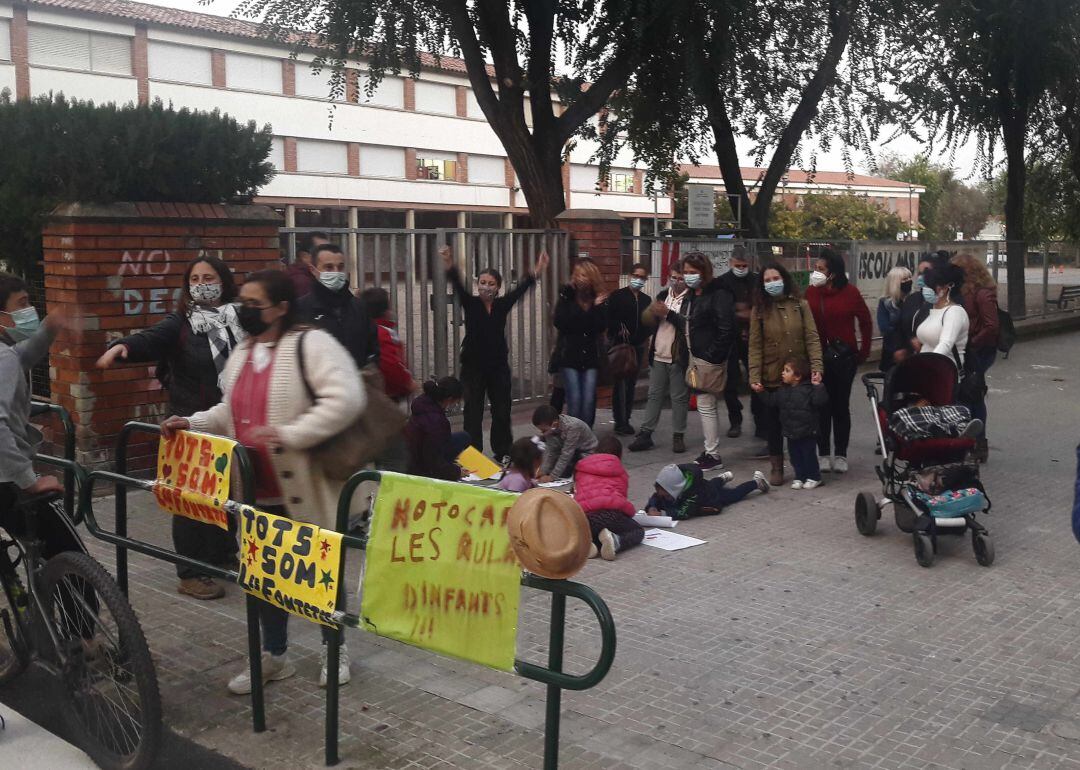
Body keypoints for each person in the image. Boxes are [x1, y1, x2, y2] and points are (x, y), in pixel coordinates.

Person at [161, 269, 365, 693]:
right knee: (263, 577)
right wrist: (193, 421)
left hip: (305, 486)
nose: (246, 311)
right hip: (253, 488)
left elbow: (346, 399)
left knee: (316, 571)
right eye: (244, 303)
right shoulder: (242, 352)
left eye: (256, 304)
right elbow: (227, 411)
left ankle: (334, 648)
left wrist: (290, 434)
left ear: (282, 308)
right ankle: (274, 656)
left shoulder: (311, 344)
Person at [96, 256, 244, 601]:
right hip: (188, 423)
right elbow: (149, 339)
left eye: (209, 276)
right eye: (195, 277)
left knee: (227, 496)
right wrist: (121, 347)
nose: (202, 282)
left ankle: (224, 556)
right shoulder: (181, 322)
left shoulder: (239, 319)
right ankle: (190, 572)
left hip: (231, 422)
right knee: (191, 501)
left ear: (223, 280)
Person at [1, 277, 86, 564]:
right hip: (6, 482)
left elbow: (20, 356)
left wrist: (49, 328)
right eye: (22, 305)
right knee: (69, 556)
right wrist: (29, 481)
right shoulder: (3, 358)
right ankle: (78, 608)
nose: (30, 311)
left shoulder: (8, 354)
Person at [440, 245, 549, 461]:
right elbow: (458, 284)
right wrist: (449, 262)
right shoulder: (470, 303)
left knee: (502, 409)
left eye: (491, 284)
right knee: (473, 411)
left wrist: (536, 271)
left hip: (498, 366)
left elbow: (520, 291)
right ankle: (472, 452)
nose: (486, 287)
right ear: (477, 284)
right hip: (472, 366)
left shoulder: (501, 305)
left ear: (498, 287)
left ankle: (503, 449)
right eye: (482, 283)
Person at [748, 262, 823, 486]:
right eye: (767, 280)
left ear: (784, 279)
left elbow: (812, 337)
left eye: (775, 278)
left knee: (801, 422)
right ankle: (777, 466)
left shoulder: (801, 305)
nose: (772, 283)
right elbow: (754, 346)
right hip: (772, 375)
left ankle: (807, 469)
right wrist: (754, 375)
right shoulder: (759, 310)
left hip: (799, 376)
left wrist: (817, 367)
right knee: (773, 425)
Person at [805, 249, 872, 474]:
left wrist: (863, 351)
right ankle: (823, 452)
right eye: (815, 268)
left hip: (844, 359)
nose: (816, 273)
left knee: (840, 406)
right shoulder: (811, 293)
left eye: (820, 269)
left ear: (832, 273)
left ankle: (841, 453)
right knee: (821, 405)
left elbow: (865, 321)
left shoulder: (850, 293)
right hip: (818, 358)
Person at [682, 251, 736, 471]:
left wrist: (712, 355)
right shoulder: (694, 294)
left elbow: (726, 329)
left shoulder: (718, 294)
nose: (688, 276)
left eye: (692, 272)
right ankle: (710, 450)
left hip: (708, 359)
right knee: (707, 405)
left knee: (706, 405)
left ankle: (712, 454)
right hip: (697, 356)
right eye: (685, 272)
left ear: (704, 272)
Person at [630, 264, 693, 453]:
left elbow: (688, 325)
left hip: (678, 357)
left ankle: (678, 435)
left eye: (680, 278)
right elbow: (646, 320)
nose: (676, 281)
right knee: (654, 395)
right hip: (658, 353)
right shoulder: (663, 295)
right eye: (673, 277)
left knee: (679, 398)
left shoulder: (691, 299)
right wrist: (652, 312)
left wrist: (669, 314)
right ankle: (646, 433)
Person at [297, 243, 379, 372]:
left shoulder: (359, 307)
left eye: (340, 267)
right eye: (328, 267)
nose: (336, 272)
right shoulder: (300, 309)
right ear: (313, 270)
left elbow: (373, 349)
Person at [951, 252, 1000, 462]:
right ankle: (973, 441)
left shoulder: (982, 293)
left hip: (979, 350)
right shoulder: (965, 292)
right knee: (970, 393)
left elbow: (992, 326)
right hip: (970, 349)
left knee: (973, 393)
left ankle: (978, 441)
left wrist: (972, 343)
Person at [552, 258, 608, 428]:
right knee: (574, 400)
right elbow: (561, 322)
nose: (580, 279)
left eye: (585, 275)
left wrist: (597, 308)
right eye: (578, 275)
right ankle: (573, 436)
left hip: (590, 356)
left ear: (592, 278)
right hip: (570, 355)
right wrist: (585, 313)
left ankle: (586, 436)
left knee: (589, 399)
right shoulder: (567, 295)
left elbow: (600, 326)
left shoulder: (599, 299)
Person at [573, 435, 644, 561]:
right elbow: (621, 500)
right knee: (637, 531)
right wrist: (630, 513)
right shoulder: (620, 471)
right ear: (619, 455)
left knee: (596, 529)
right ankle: (616, 542)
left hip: (585, 517)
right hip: (610, 515)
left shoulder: (582, 467)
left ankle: (591, 543)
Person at [717, 246, 761, 438]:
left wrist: (744, 312)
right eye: (738, 265)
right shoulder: (723, 283)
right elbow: (723, 311)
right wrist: (742, 312)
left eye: (744, 265)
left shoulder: (756, 280)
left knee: (757, 379)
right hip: (730, 337)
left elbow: (760, 307)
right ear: (731, 263)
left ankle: (759, 420)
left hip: (754, 335)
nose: (741, 268)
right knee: (730, 381)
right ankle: (735, 420)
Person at [605, 263, 652, 435]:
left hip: (638, 346)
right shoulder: (618, 296)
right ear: (630, 275)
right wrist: (618, 328)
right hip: (621, 346)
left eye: (642, 277)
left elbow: (649, 323)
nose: (638, 280)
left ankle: (627, 417)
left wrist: (645, 335)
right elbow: (608, 318)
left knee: (631, 383)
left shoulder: (646, 300)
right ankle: (620, 420)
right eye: (636, 276)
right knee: (620, 384)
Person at [772, 356, 828, 490]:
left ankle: (814, 477)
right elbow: (772, 401)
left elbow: (820, 401)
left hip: (807, 430)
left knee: (808, 454)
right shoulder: (783, 390)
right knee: (795, 456)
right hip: (791, 430)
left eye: (787, 370)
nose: (783, 373)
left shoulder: (808, 389)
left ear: (797, 376)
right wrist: (760, 392)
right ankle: (800, 476)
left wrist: (818, 386)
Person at [644, 463, 770, 521]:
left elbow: (683, 513)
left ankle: (757, 482)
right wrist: (652, 507)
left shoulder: (693, 495)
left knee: (734, 494)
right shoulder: (670, 490)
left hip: (711, 499)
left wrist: (664, 515)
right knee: (712, 483)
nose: (663, 497)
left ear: (674, 489)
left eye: (665, 494)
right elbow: (656, 497)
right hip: (706, 485)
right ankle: (722, 478)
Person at [404, 377, 471, 481]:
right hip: (421, 468)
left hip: (413, 455)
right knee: (462, 438)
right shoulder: (437, 423)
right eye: (456, 403)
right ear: (449, 399)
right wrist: (456, 472)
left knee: (463, 437)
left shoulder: (423, 402)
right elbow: (433, 460)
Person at [360, 287, 417, 402]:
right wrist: (407, 382)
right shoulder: (384, 333)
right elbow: (392, 363)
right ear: (385, 311)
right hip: (387, 395)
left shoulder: (362, 328)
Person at [892, 252, 949, 364]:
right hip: (910, 360)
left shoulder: (949, 301)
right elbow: (901, 327)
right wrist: (902, 347)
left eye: (926, 272)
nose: (921, 277)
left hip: (936, 361)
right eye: (919, 273)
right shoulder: (912, 299)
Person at [914, 263, 969, 365]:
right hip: (928, 368)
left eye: (928, 286)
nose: (924, 290)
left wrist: (925, 366)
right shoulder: (932, 309)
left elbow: (946, 344)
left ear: (944, 288)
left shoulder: (955, 312)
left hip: (943, 371)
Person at [532, 404, 598, 482]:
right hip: (571, 452)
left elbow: (566, 454)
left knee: (577, 470)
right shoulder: (551, 429)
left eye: (544, 431)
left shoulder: (573, 427)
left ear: (554, 424)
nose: (542, 434)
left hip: (586, 452)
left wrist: (552, 477)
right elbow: (551, 451)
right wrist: (543, 470)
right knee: (553, 466)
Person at [877, 266, 913, 372]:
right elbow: (884, 327)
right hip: (892, 350)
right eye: (904, 279)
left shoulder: (913, 300)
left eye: (909, 278)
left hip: (911, 350)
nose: (909, 281)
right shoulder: (885, 303)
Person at [286, 231, 329, 298]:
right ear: (304, 256)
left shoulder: (314, 275)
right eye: (322, 252)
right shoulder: (301, 281)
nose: (328, 256)